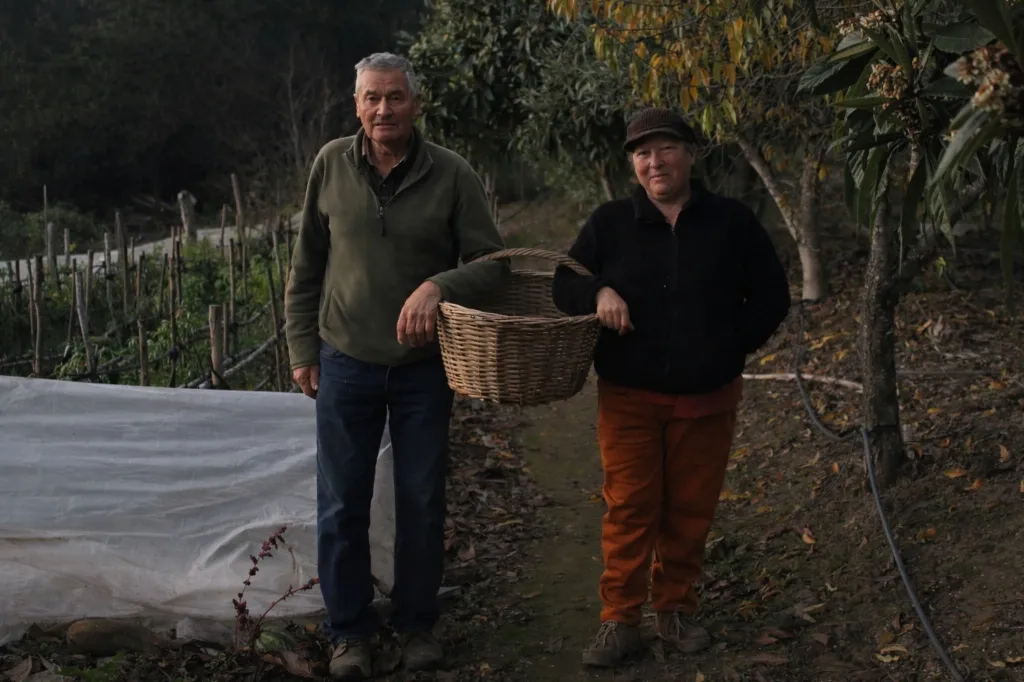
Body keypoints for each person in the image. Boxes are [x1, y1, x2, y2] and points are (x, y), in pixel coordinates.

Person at [284, 52, 509, 681]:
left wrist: (439, 285)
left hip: (422, 368)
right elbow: (306, 265)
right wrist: (302, 347)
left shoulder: (452, 173)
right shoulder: (330, 162)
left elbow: (495, 263)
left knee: (420, 498)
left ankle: (415, 625)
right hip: (345, 359)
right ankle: (348, 632)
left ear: (416, 103)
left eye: (395, 98)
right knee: (340, 503)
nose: (384, 110)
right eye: (372, 98)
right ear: (356, 105)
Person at [551, 107, 791, 668]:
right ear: (632, 164)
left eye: (665, 149)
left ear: (691, 153)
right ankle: (620, 620)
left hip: (707, 398)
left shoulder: (731, 221)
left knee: (689, 509)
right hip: (629, 398)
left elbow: (773, 296)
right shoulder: (610, 223)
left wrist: (728, 348)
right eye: (642, 153)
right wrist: (599, 294)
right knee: (630, 507)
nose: (654, 162)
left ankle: (676, 610)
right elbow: (564, 282)